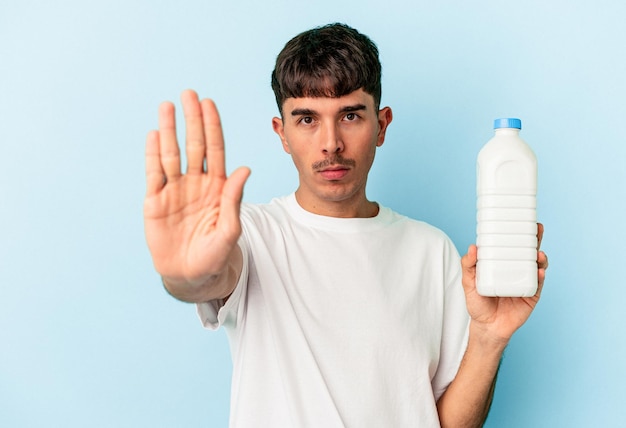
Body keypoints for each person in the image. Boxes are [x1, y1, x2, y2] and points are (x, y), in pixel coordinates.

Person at [144, 23, 548, 427]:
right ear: (281, 133)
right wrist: (186, 275)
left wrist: (490, 338)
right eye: (306, 120)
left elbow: (451, 423)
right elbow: (209, 277)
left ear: (382, 125)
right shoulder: (249, 235)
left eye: (350, 115)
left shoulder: (431, 250)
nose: (331, 142)